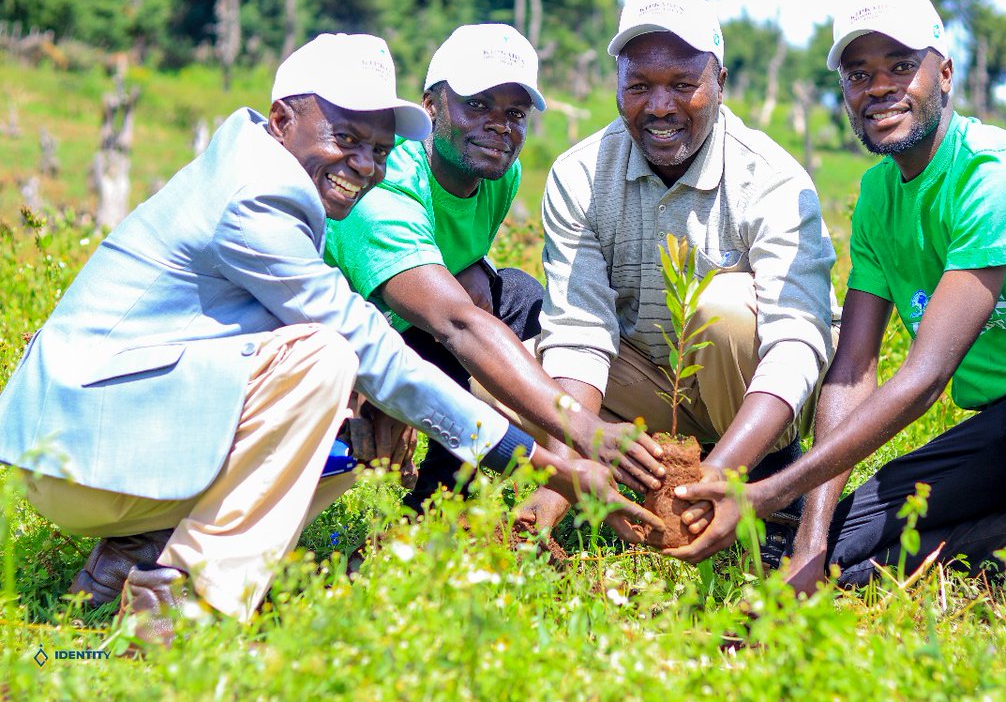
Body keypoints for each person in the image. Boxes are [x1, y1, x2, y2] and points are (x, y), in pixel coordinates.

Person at [0, 33, 661, 648]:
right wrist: (553, 463)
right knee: (328, 358)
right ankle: (181, 610)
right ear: (283, 117)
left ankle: (130, 560)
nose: (364, 164)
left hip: (98, 441)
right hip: (77, 454)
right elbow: (383, 344)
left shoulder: (268, 168)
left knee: (342, 412)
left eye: (377, 148)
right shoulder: (258, 198)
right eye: (345, 136)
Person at [672, 0, 1006, 647]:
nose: (879, 88)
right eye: (860, 75)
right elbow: (852, 373)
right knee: (849, 531)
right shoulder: (877, 197)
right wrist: (809, 542)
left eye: (900, 66)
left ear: (943, 73)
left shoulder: (996, 174)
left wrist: (769, 491)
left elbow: (922, 379)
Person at [521, 0, 836, 568]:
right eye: (639, 85)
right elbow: (580, 332)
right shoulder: (580, 175)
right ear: (617, 86)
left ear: (718, 82)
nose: (660, 106)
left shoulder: (769, 179)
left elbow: (798, 340)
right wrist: (568, 470)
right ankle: (611, 481)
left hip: (747, 390)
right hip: (644, 380)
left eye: (683, 84)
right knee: (509, 373)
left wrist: (717, 474)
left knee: (724, 310)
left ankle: (764, 483)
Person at [324, 24, 668, 513]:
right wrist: (584, 428)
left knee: (520, 297)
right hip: (337, 335)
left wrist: (475, 269)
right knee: (465, 329)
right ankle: (436, 505)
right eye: (477, 105)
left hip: (410, 314)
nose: (499, 126)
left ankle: (449, 495)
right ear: (431, 107)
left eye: (515, 113)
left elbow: (452, 288)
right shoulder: (386, 188)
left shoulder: (500, 174)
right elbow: (453, 322)